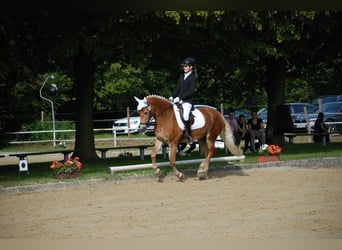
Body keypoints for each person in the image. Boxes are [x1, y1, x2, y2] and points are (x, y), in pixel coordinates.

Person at [169, 57, 196, 143]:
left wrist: (180, 98)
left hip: (187, 101)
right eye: (183, 66)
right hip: (178, 100)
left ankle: (189, 135)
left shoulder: (192, 78)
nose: (184, 67)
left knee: (185, 116)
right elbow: (178, 89)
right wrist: (173, 97)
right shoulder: (181, 76)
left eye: (186, 66)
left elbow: (191, 92)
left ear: (191, 67)